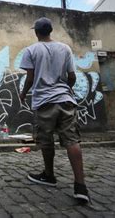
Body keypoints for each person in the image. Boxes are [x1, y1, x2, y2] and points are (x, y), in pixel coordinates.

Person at [19, 17, 90, 203]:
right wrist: (66, 89)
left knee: (46, 139)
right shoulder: (65, 48)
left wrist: (23, 93)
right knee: (72, 140)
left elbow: (30, 77)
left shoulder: (31, 50)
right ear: (50, 31)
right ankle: (80, 186)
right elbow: (72, 76)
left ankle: (49, 175)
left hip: (44, 102)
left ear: (36, 32)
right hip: (65, 99)